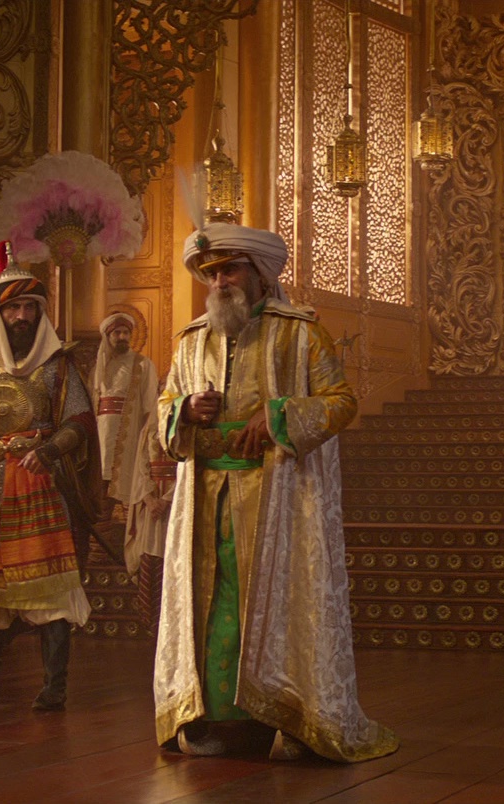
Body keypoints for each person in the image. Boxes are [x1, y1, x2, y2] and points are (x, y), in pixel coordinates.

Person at [153, 223, 398, 763]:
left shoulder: (301, 334)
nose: (219, 282)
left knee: (272, 608)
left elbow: (341, 402)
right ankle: (220, 723)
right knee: (214, 609)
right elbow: (164, 408)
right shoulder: (191, 340)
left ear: (260, 274)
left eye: (230, 270)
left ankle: (287, 717)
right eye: (211, 273)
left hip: (277, 503)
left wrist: (278, 416)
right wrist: (183, 410)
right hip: (205, 503)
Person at [0, 242, 99, 711]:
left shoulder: (57, 363)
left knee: (51, 584)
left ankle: (54, 686)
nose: (22, 316)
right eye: (13, 308)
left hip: (40, 483)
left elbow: (79, 420)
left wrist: (50, 450)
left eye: (30, 307)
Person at [94, 312, 159, 514]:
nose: (122, 337)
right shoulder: (99, 367)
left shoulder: (143, 364)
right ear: (108, 336)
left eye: (125, 333)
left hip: (130, 434)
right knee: (102, 483)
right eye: (117, 333)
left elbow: (150, 405)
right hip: (101, 434)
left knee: (128, 482)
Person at [126, 419, 177, 638]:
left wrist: (167, 500)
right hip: (152, 504)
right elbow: (141, 466)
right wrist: (148, 498)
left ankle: (170, 622)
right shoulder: (148, 428)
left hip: (175, 503)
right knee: (149, 557)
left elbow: (188, 465)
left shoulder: (184, 424)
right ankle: (150, 620)